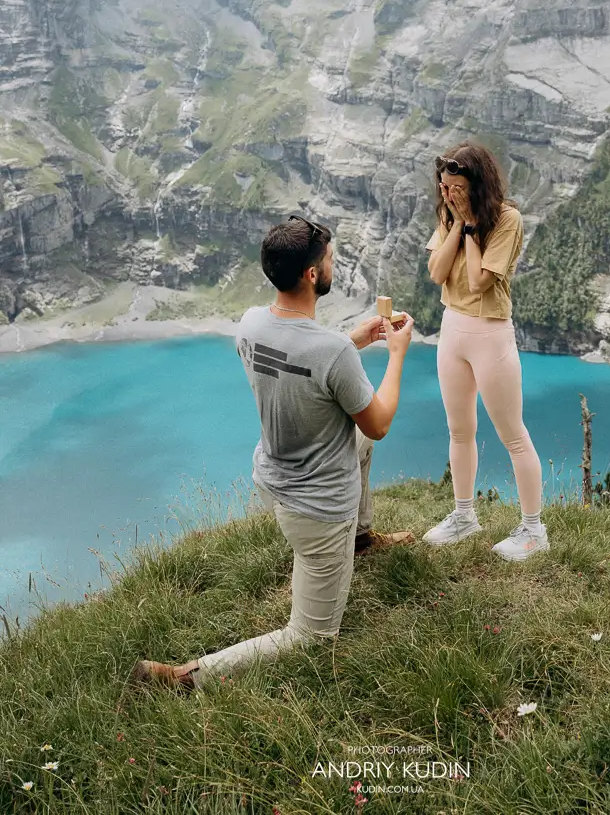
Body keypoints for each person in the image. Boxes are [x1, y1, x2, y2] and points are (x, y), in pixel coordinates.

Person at [134, 213, 415, 691]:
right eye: (329, 260)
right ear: (311, 275)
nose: (333, 266)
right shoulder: (331, 353)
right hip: (319, 510)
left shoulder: (250, 325)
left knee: (358, 445)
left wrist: (353, 340)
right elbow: (380, 422)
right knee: (310, 636)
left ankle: (361, 540)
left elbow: (292, 361)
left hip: (272, 482)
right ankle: (181, 679)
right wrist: (397, 354)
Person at [422, 143, 547, 561]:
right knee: (459, 429)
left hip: (490, 332)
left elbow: (478, 282)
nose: (449, 193)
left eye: (457, 186)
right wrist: (458, 223)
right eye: (444, 186)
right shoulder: (448, 216)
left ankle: (533, 529)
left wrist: (472, 225)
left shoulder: (507, 219)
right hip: (452, 328)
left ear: (478, 185)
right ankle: (464, 516)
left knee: (512, 434)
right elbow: (437, 272)